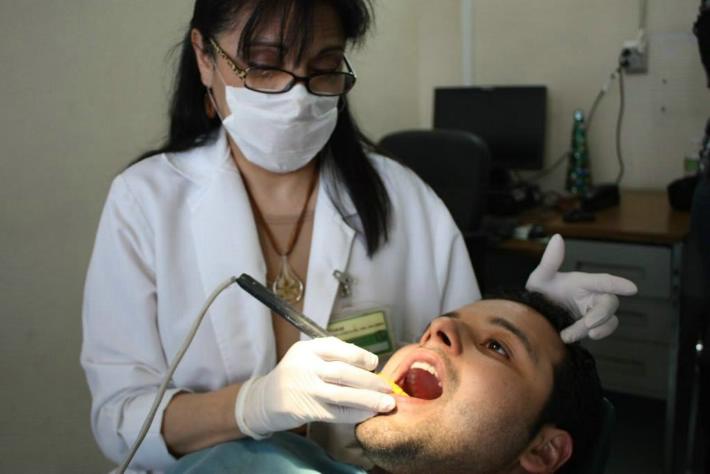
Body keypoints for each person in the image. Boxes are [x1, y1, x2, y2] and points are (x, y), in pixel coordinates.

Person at [80, 0, 635, 471]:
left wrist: (535, 316)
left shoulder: (406, 200)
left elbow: (476, 396)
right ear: (205, 56)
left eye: (323, 68)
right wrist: (253, 406)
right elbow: (119, 422)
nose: (295, 97)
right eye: (264, 65)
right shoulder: (146, 202)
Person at [166, 291, 603, 474]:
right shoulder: (254, 462)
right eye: (442, 324)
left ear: (544, 451)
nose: (437, 330)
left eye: (498, 347)